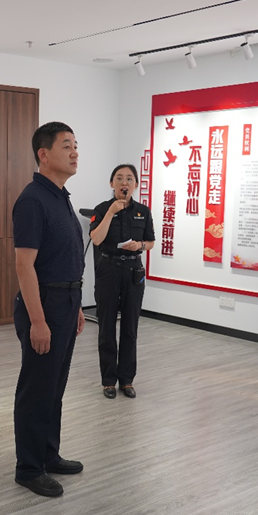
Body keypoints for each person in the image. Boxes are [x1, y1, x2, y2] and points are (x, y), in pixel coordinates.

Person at [12, 121, 86, 498]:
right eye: (66, 146)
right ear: (43, 154)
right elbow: (24, 265)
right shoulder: (32, 200)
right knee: (37, 389)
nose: (75, 152)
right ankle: (28, 468)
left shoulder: (60, 196)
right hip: (44, 305)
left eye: (76, 145)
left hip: (66, 302)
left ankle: (48, 454)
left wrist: (76, 306)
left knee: (54, 387)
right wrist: (38, 320)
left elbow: (65, 256)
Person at [89, 164, 155, 399]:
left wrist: (140, 245)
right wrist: (111, 212)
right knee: (106, 327)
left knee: (130, 328)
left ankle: (127, 380)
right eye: (119, 178)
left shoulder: (143, 212)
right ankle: (108, 380)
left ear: (135, 184)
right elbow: (96, 239)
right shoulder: (101, 209)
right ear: (112, 183)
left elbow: (151, 242)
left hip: (133, 271)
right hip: (108, 270)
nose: (124, 182)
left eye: (129, 178)